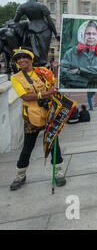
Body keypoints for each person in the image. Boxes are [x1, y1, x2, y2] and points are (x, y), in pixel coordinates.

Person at [9, 48, 66, 191]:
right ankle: (20, 174)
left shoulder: (42, 72)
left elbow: (54, 85)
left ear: (31, 59)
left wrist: (57, 71)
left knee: (53, 143)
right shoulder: (15, 78)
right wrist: (44, 94)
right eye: (18, 59)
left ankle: (58, 172)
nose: (21, 60)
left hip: (48, 112)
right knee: (28, 146)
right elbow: (25, 96)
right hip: (31, 116)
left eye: (24, 57)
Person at [59, 20, 97, 89]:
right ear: (81, 34)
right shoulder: (70, 53)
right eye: (88, 33)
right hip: (76, 96)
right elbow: (63, 76)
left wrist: (79, 70)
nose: (91, 36)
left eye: (94, 34)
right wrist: (88, 82)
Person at [13, 0, 59, 67]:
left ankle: (34, 65)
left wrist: (23, 28)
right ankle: (41, 66)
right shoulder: (42, 6)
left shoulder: (22, 6)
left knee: (33, 50)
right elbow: (50, 21)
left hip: (31, 30)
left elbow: (16, 21)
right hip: (45, 30)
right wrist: (56, 33)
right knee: (43, 51)